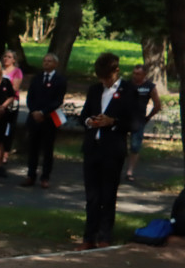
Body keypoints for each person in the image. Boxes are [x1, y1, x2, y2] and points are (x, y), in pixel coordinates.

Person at [77, 52, 137, 250]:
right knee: (92, 196)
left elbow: (134, 122)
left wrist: (113, 122)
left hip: (113, 149)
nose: (104, 81)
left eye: (107, 78)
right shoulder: (95, 90)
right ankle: (89, 237)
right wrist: (89, 121)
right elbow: (84, 114)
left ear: (116, 71)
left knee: (108, 194)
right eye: (101, 78)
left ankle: (105, 235)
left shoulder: (128, 91)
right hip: (93, 147)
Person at [21, 53, 67, 189]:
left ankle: (45, 177)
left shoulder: (60, 80)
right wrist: (34, 111)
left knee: (47, 150)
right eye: (44, 61)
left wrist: (43, 112)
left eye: (49, 61)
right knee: (33, 148)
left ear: (55, 64)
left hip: (49, 119)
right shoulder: (36, 78)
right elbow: (30, 97)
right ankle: (31, 175)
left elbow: (58, 100)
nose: (46, 63)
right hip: (34, 118)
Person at [126, 64, 162, 182]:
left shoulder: (149, 87)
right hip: (124, 118)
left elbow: (157, 105)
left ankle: (130, 171)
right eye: (134, 73)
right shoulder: (127, 84)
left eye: (138, 74)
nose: (135, 76)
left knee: (135, 146)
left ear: (144, 74)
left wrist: (148, 117)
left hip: (139, 119)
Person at [0, 50, 23, 177]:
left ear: (14, 60)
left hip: (11, 103)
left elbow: (15, 88)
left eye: (9, 57)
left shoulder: (17, 71)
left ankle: (5, 154)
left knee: (9, 128)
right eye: (5, 56)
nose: (6, 59)